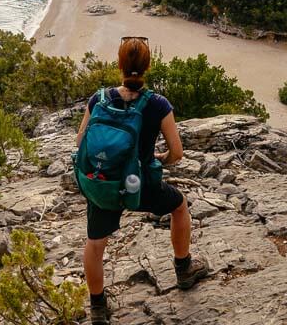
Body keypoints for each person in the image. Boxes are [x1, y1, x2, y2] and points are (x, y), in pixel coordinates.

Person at [77, 36, 208, 324]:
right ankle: (184, 269)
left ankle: (98, 308)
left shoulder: (98, 99)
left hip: (105, 185)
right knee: (179, 206)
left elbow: (80, 141)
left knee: (95, 243)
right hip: (141, 185)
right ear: (148, 66)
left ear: (119, 65)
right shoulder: (158, 104)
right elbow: (177, 153)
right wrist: (160, 158)